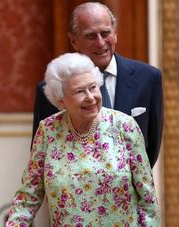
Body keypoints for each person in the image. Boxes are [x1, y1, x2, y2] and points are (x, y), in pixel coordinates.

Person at [0, 53, 161, 227]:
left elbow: (147, 197)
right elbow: (29, 194)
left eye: (93, 88)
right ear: (60, 100)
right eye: (80, 91)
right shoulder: (48, 132)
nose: (90, 97)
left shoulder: (125, 127)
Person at [32, 2, 163, 168]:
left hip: (127, 190)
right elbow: (41, 156)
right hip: (73, 191)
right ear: (73, 41)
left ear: (115, 34)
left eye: (106, 33)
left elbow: (151, 147)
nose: (101, 43)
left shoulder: (149, 79)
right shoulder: (53, 89)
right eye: (91, 36)